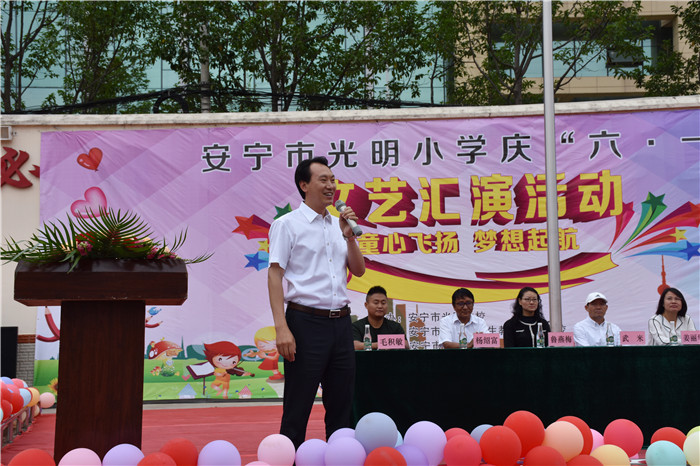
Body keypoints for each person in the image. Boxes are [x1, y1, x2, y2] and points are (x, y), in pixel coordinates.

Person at [267, 156, 366, 449]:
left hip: (341, 324)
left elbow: (359, 270)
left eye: (333, 180)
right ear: (304, 185)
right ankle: (290, 456)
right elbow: (274, 275)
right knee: (297, 407)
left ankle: (341, 455)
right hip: (305, 323)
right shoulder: (287, 224)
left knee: (342, 405)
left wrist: (350, 238)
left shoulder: (339, 224)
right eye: (323, 180)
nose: (331, 186)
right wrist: (281, 328)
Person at [352, 286, 407, 350]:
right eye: (376, 303)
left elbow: (406, 345)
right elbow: (355, 346)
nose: (380, 306)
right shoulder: (356, 326)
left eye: (383, 303)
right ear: (366, 305)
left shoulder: (395, 327)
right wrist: (380, 344)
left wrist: (382, 344)